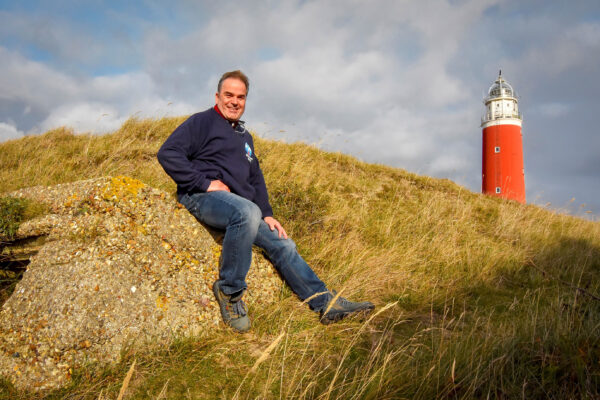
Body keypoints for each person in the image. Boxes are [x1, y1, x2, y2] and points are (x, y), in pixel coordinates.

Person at [157, 70, 374, 332]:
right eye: (229, 95)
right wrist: (204, 183)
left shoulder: (244, 137)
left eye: (241, 97)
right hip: (201, 197)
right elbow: (168, 153)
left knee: (283, 243)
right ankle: (230, 291)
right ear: (217, 96)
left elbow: (255, 179)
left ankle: (325, 303)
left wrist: (268, 214)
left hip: (239, 208)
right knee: (248, 212)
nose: (235, 101)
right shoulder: (201, 122)